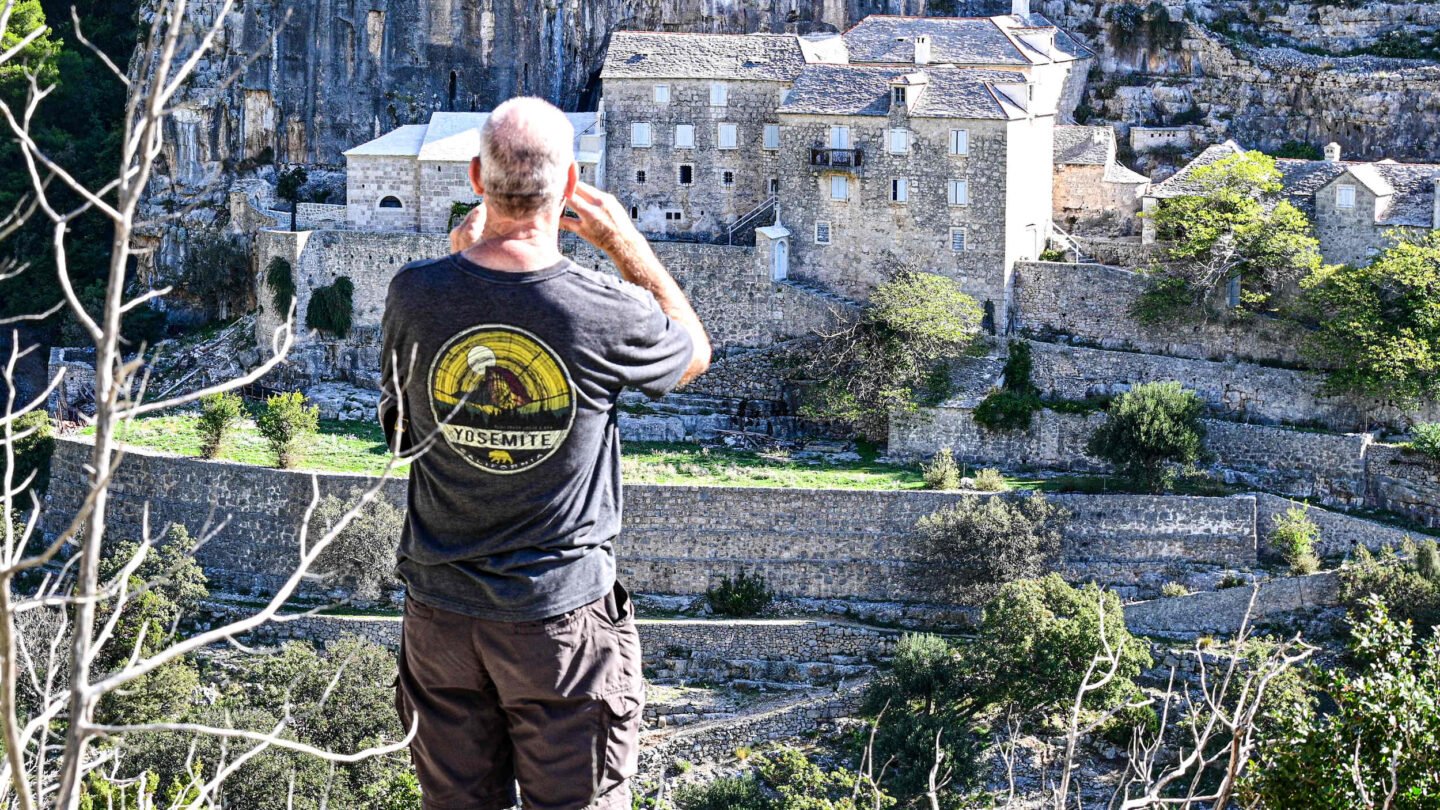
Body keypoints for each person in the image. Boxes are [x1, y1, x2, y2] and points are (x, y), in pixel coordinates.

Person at [379, 96, 711, 810]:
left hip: (439, 617)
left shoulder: (414, 293)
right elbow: (694, 352)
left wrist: (455, 266)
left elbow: (403, 436)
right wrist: (630, 249)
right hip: (557, 624)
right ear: (569, 189)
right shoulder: (604, 310)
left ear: (475, 177)